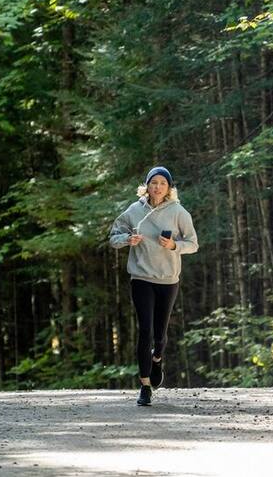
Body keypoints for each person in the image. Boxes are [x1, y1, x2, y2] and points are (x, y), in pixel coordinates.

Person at [109, 166, 199, 406]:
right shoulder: (134, 211)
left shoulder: (178, 212)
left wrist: (173, 246)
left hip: (168, 279)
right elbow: (113, 238)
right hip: (141, 278)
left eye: (162, 183)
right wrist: (127, 239)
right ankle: (145, 386)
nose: (157, 187)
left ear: (169, 188)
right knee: (145, 331)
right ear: (147, 186)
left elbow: (193, 244)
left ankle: (157, 358)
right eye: (153, 182)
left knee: (160, 335)